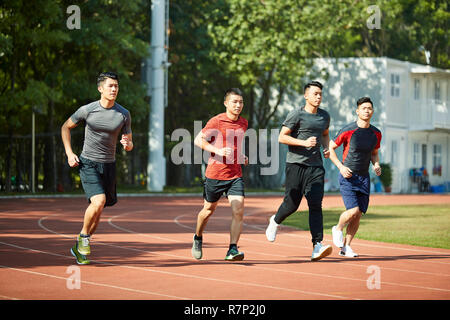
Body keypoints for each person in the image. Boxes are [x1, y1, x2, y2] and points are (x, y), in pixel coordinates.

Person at [61, 72, 133, 265]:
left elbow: (129, 143)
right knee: (98, 201)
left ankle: (79, 247)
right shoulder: (88, 110)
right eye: (110, 86)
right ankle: (83, 237)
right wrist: (69, 153)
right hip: (88, 163)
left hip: (109, 165)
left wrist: (127, 144)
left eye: (116, 86)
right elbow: (65, 127)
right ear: (100, 88)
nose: (114, 89)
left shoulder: (123, 114)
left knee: (99, 211)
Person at [265, 81, 332, 261]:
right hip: (296, 165)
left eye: (320, 94)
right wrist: (303, 143)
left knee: (315, 204)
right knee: (292, 204)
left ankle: (317, 245)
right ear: (306, 95)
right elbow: (282, 137)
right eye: (315, 94)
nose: (318, 97)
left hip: (316, 167)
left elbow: (325, 134)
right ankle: (275, 221)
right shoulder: (296, 114)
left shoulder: (324, 116)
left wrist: (326, 148)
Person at [191, 88, 248, 261]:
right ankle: (198, 237)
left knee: (238, 210)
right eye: (234, 102)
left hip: (235, 175)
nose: (238, 105)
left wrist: (241, 157)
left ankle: (232, 249)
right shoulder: (216, 121)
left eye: (240, 102)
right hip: (215, 174)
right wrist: (218, 151)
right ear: (226, 103)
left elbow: (234, 145)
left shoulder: (243, 123)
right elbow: (198, 140)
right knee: (208, 210)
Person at [329, 96, 382, 257]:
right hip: (348, 176)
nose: (367, 111)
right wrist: (341, 167)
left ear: (372, 112)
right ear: (357, 111)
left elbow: (374, 153)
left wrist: (376, 164)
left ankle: (346, 247)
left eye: (369, 108)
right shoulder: (348, 130)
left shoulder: (376, 133)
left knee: (358, 214)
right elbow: (331, 149)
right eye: (363, 108)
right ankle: (337, 228)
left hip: (364, 177)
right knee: (353, 210)